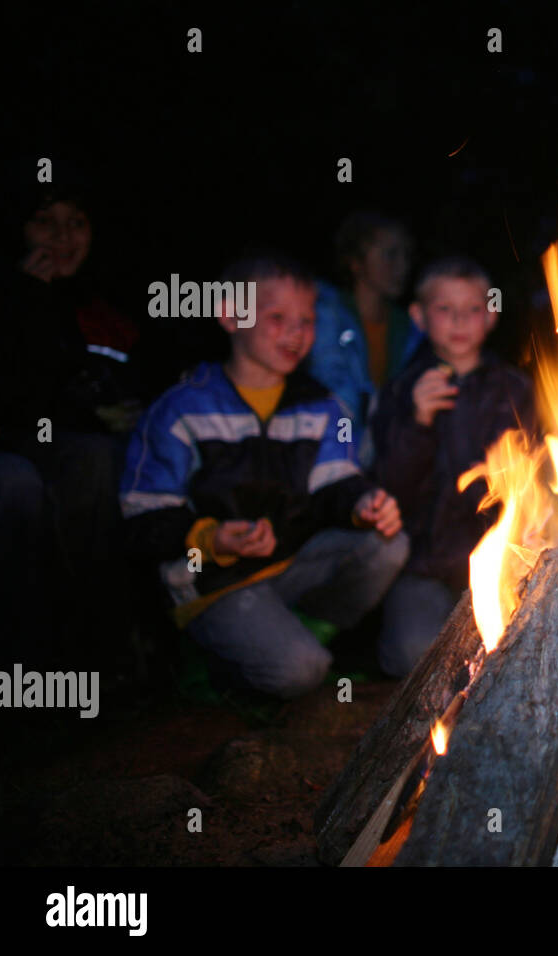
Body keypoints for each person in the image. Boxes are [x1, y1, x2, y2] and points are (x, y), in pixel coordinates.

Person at [120, 253, 409, 699]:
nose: (297, 334)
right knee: (299, 671)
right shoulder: (182, 409)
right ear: (231, 316)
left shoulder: (321, 406)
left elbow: (335, 484)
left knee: (387, 543)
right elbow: (141, 518)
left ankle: (302, 638)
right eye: (278, 318)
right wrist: (211, 537)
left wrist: (363, 503)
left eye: (307, 321)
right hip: (213, 582)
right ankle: (215, 667)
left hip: (287, 566)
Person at [0, 181, 140, 667]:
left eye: (75, 222)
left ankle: (107, 651)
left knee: (107, 459)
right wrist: (27, 299)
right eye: (45, 221)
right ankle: (30, 663)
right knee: (19, 485)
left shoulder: (103, 299)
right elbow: (21, 398)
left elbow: (129, 382)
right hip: (16, 447)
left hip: (71, 445)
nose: (61, 236)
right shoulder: (15, 294)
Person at [370, 257, 534, 676]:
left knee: (513, 653)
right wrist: (417, 423)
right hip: (422, 565)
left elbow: (540, 478)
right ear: (419, 316)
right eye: (444, 309)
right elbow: (388, 488)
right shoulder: (401, 391)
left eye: (473, 309)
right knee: (416, 658)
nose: (460, 320)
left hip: (499, 561)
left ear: (491, 314)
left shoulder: (516, 389)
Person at [306, 211, 421, 460]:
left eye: (406, 255)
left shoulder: (413, 327)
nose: (402, 267)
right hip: (330, 456)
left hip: (387, 462)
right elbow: (334, 391)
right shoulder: (325, 316)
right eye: (390, 254)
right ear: (355, 262)